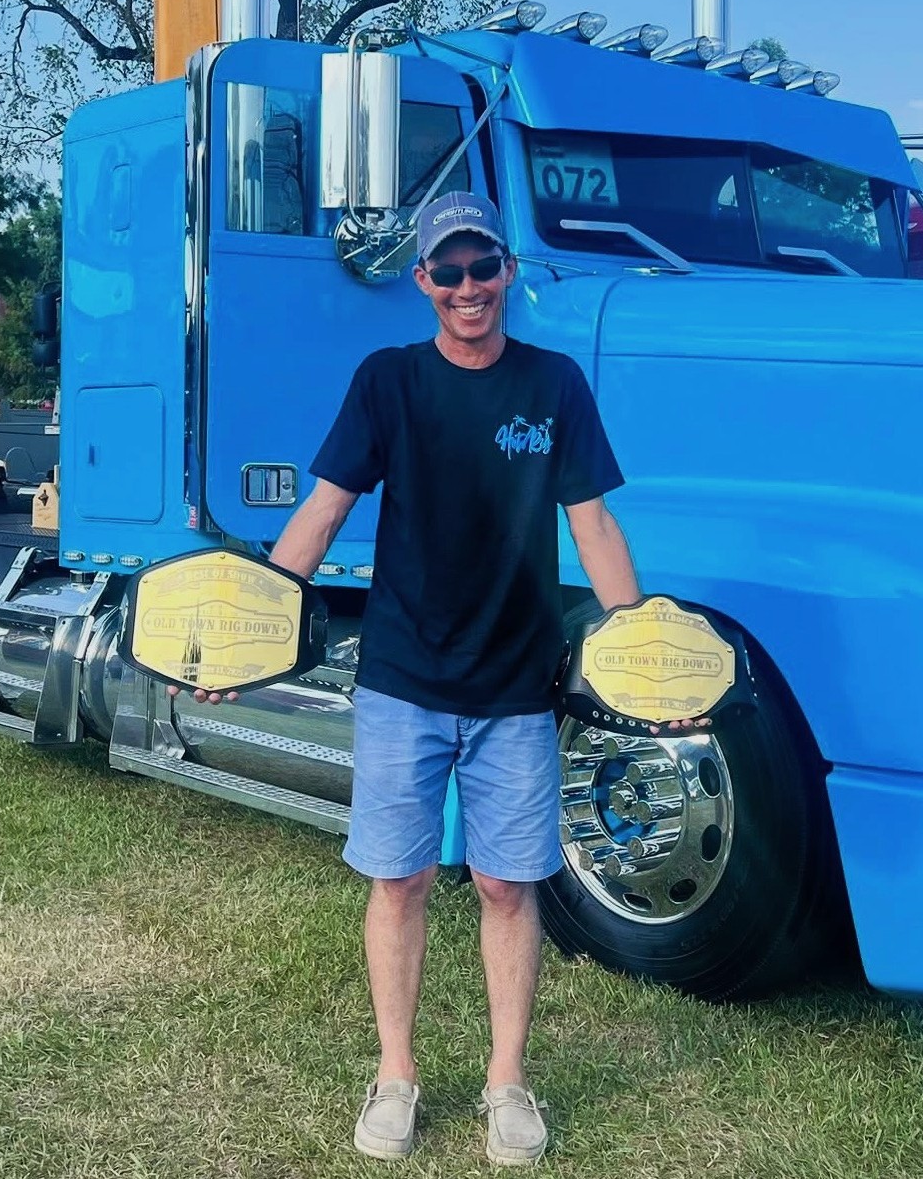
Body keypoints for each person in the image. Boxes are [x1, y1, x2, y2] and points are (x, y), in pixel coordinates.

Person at [265, 191, 646, 1166]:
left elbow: (593, 525)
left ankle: (506, 1084)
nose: (468, 286)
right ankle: (395, 1077)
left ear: (506, 273)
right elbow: (319, 512)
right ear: (422, 280)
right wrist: (251, 625)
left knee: (506, 887)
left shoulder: (552, 385)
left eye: (484, 267)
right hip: (401, 681)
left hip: (517, 686)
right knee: (396, 883)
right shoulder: (388, 382)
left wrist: (641, 646)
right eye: (449, 270)